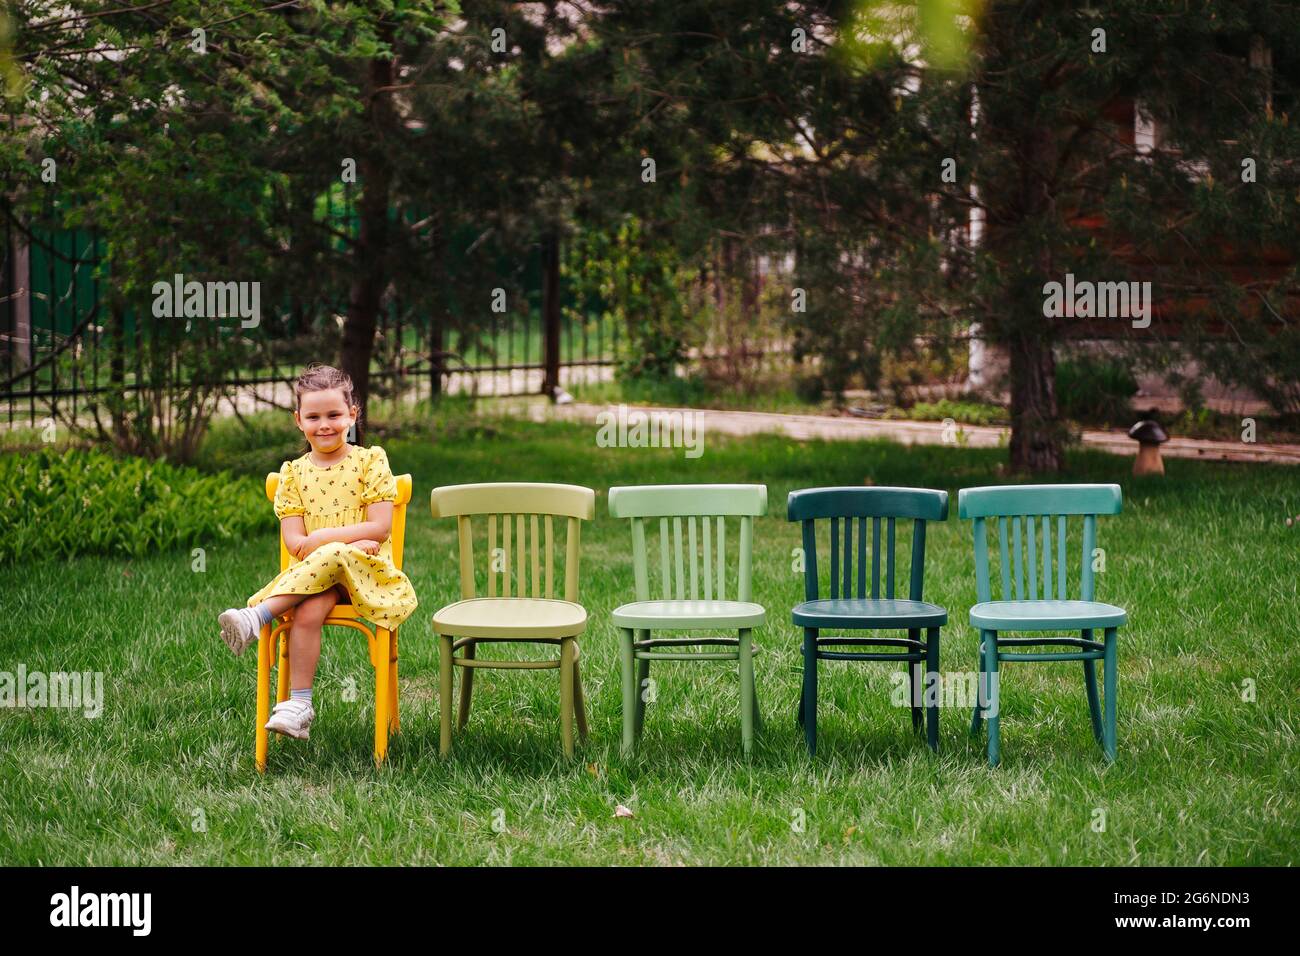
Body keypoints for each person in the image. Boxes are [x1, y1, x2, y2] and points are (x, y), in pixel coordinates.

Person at [216, 364, 417, 740]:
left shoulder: (370, 461)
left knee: (334, 554)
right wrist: (344, 543)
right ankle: (299, 705)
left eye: (334, 415)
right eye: (313, 416)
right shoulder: (292, 474)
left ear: (352, 414)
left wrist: (329, 541)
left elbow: (379, 528)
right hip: (315, 579)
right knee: (307, 610)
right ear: (298, 420)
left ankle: (257, 617)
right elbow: (295, 542)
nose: (324, 425)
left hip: (367, 575)